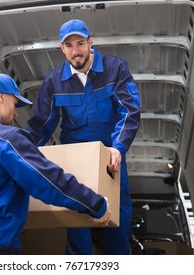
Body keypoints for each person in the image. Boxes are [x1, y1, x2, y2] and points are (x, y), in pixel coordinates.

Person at [0, 73, 111, 255]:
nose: (16, 111)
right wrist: (96, 204)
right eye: (14, 103)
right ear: (1, 97)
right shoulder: (7, 138)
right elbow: (48, 181)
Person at [27, 19, 141, 255]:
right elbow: (41, 124)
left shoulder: (115, 69)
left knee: (119, 217)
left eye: (80, 43)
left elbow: (129, 109)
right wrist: (23, 153)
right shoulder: (54, 81)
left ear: (91, 42)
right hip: (75, 159)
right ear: (62, 48)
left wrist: (119, 147)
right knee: (76, 219)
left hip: (111, 156)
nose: (75, 51)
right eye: (69, 45)